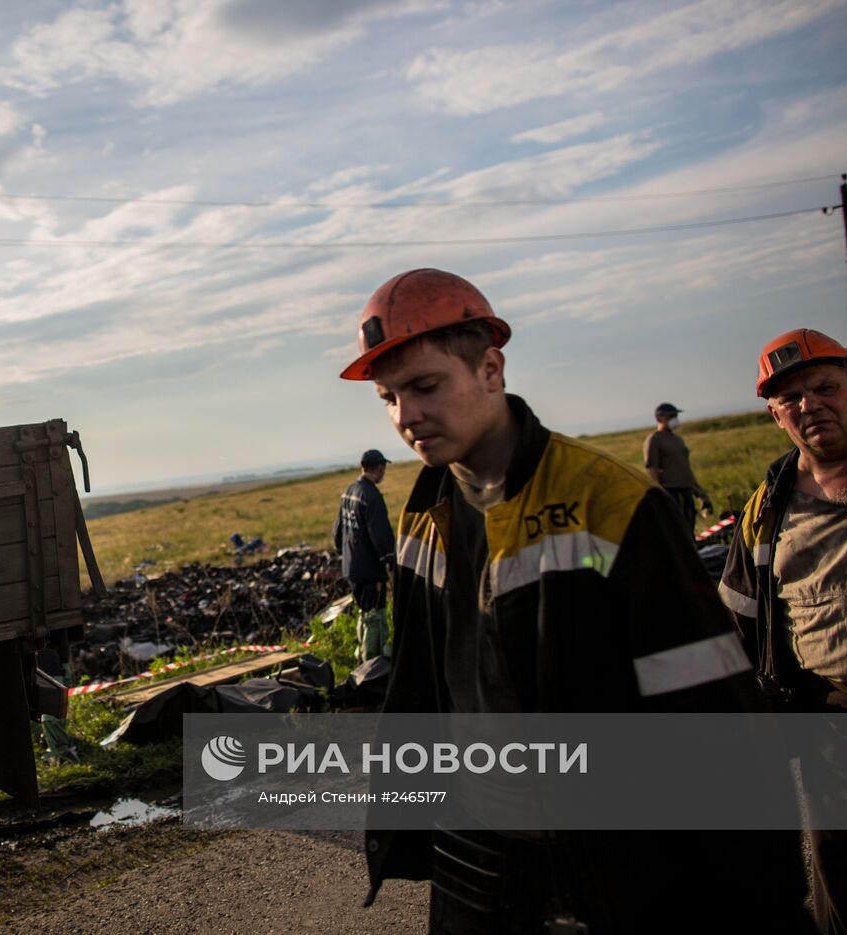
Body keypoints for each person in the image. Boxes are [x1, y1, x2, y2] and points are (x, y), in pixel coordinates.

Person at [340, 268, 809, 933]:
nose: (405, 416)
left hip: (607, 859)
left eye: (424, 386)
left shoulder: (609, 503)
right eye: (388, 396)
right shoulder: (425, 511)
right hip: (478, 856)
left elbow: (717, 720)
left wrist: (765, 900)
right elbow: (426, 686)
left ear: (491, 369)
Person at [718, 328, 847, 935]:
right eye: (791, 399)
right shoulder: (769, 506)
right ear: (774, 416)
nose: (810, 405)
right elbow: (739, 623)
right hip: (839, 725)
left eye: (824, 388)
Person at [332, 449, 396, 661]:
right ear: (378, 468)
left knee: (363, 612)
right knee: (374, 616)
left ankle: (361, 655)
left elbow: (338, 531)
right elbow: (380, 533)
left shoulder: (349, 491)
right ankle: (372, 663)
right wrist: (389, 558)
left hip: (351, 566)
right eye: (383, 468)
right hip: (369, 569)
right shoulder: (371, 495)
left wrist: (346, 552)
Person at [643, 401, 712, 532]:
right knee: (676, 530)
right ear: (659, 418)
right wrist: (659, 495)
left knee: (689, 528)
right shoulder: (654, 439)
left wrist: (700, 494)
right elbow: (651, 468)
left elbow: (685, 468)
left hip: (686, 491)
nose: (674, 419)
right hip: (670, 492)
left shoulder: (677, 439)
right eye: (670, 416)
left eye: (675, 415)